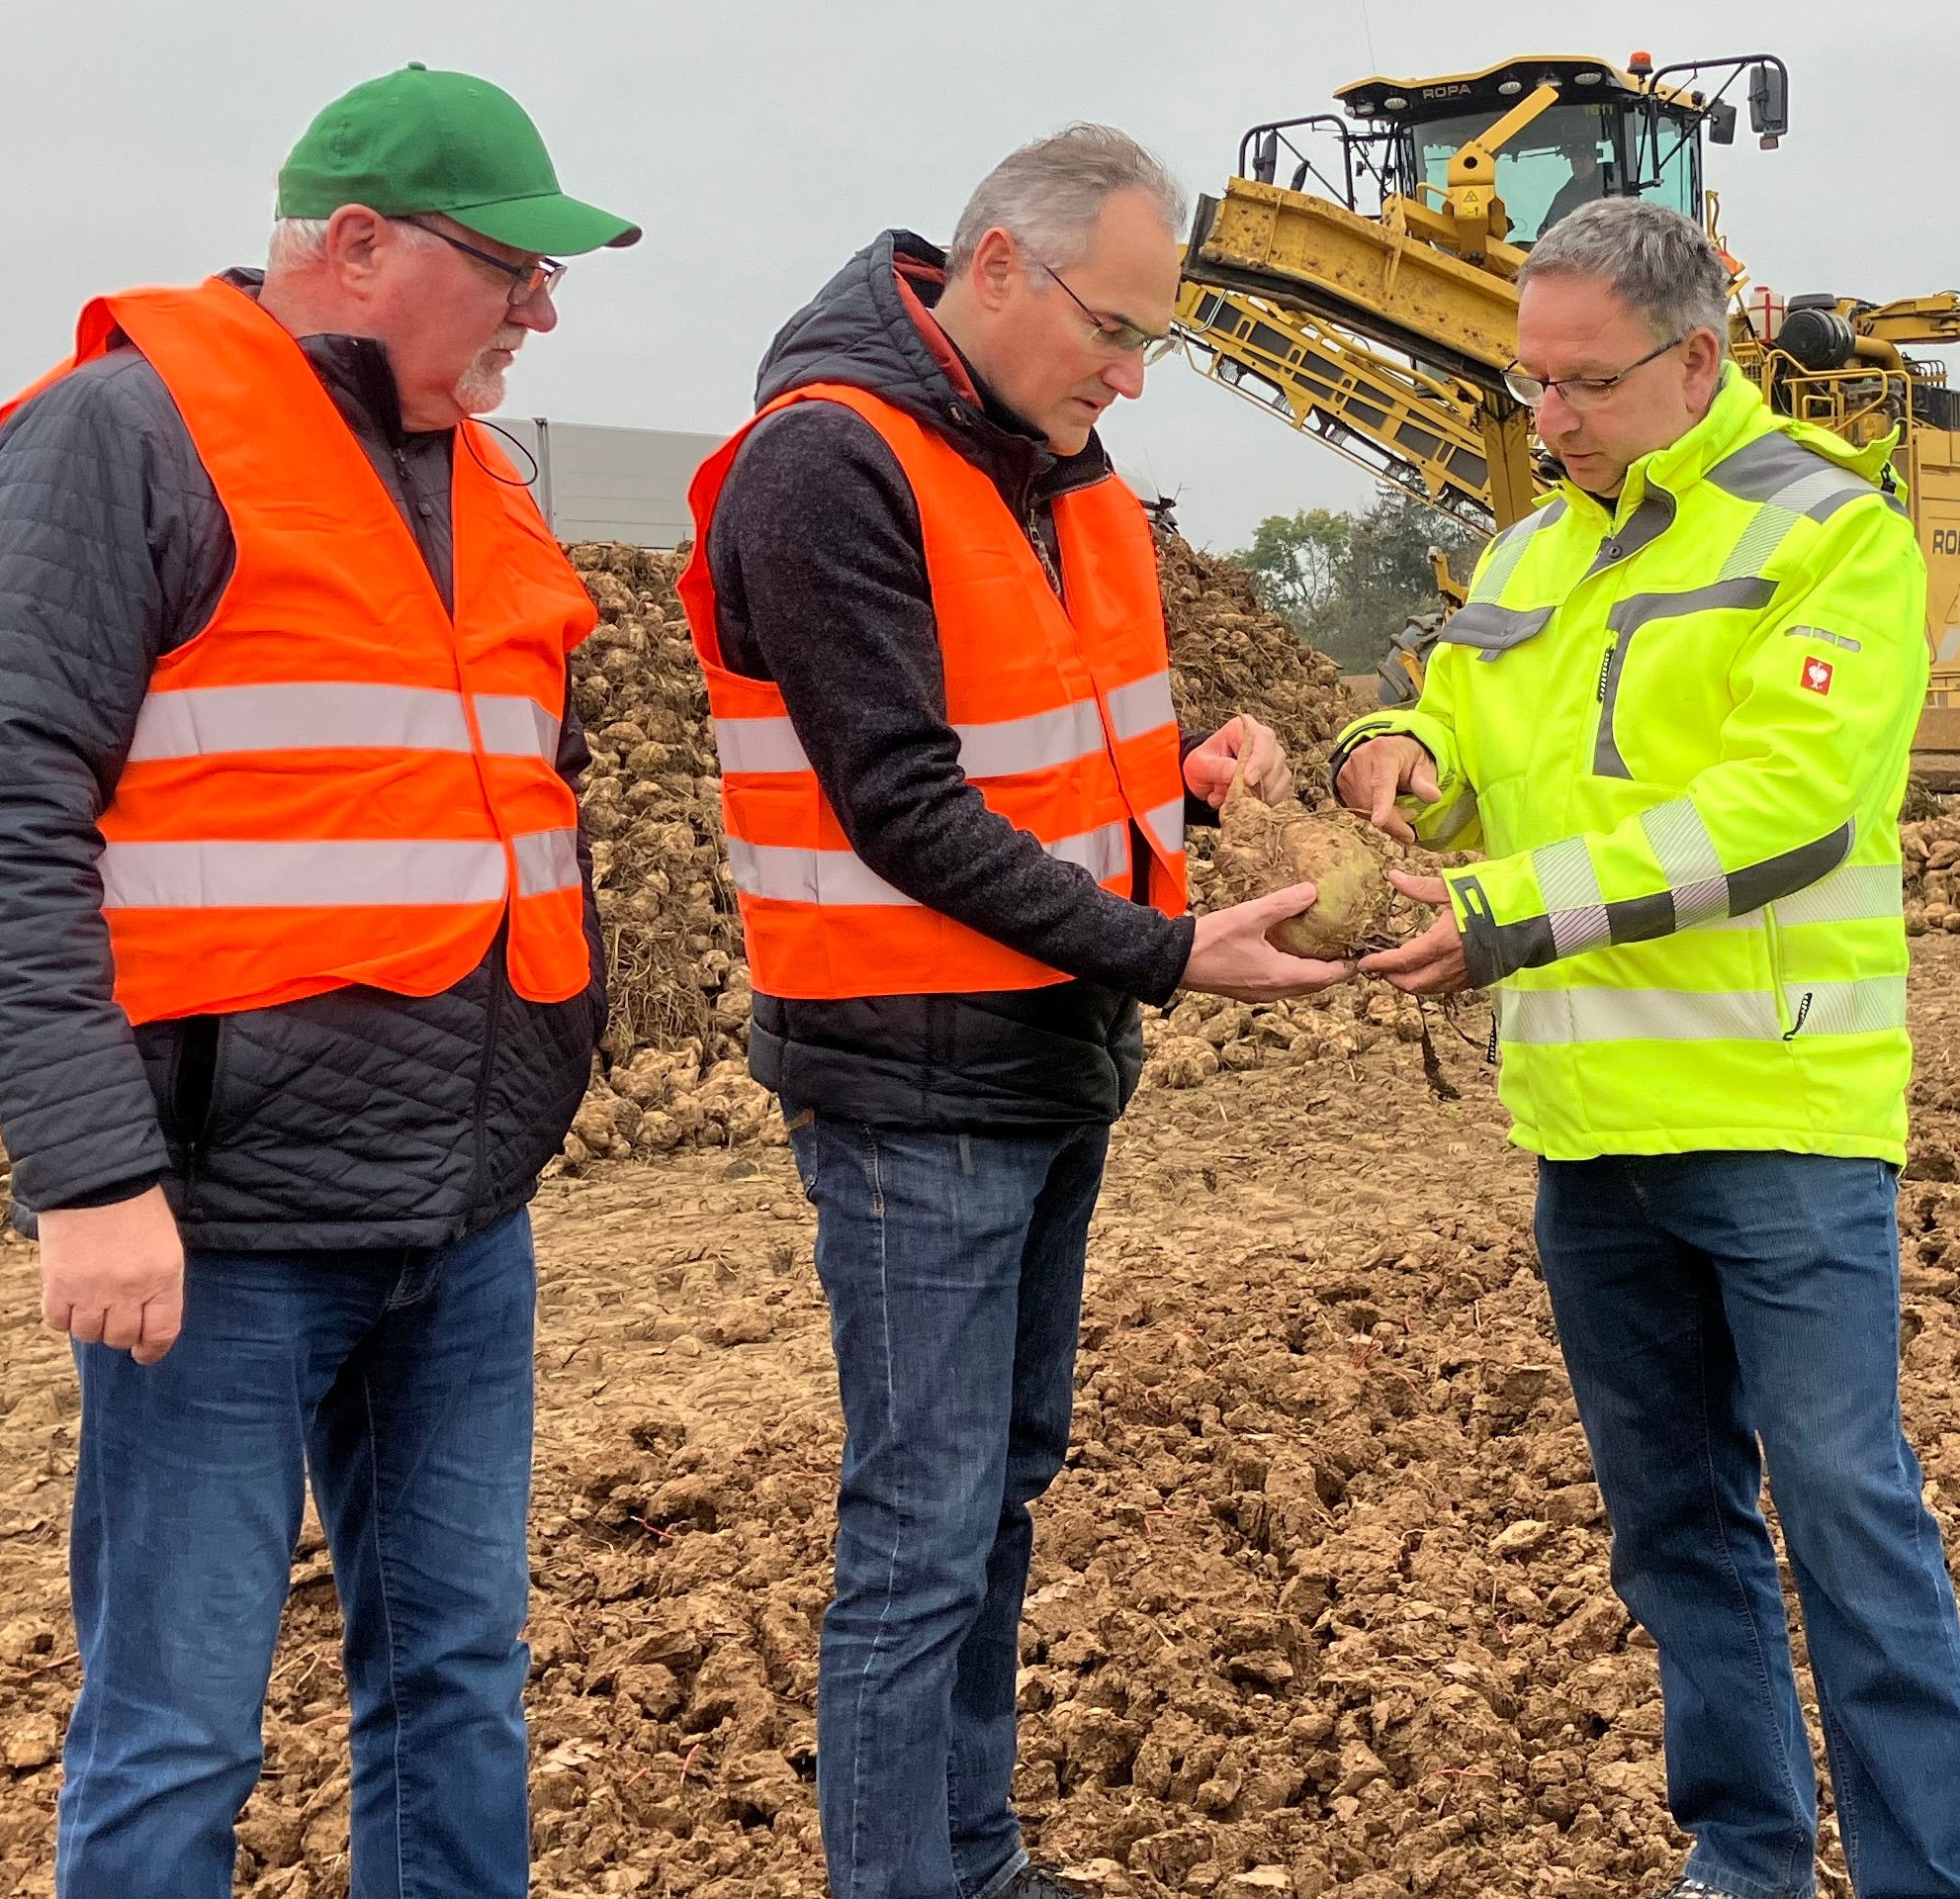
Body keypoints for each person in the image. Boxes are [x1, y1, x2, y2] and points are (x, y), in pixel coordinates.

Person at [0, 64, 636, 1897]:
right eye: (512, 268)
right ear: (364, 246)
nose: (544, 308)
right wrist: (88, 1177)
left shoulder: (482, 477)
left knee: (457, 1680)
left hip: (463, 1221)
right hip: (219, 1233)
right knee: (176, 1728)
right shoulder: (121, 434)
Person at [675, 126, 1351, 1899]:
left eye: (1152, 343)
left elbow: (1036, 751)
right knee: (920, 1527)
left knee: (992, 1497)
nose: (1130, 374)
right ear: (991, 269)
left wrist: (1184, 786)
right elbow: (901, 804)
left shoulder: (1050, 463)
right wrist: (1169, 948)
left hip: (1045, 1061)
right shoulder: (828, 467)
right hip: (913, 1079)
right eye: (1112, 329)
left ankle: (970, 1861)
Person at [1337, 196, 1960, 1899]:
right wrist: (1394, 743)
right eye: (1529, 385)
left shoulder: (1833, 533)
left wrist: (1503, 915)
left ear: (1698, 360)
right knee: (1675, 1533)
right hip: (1588, 1129)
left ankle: (1928, 1878)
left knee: (1848, 1522)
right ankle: (1746, 1854)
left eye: (1584, 386)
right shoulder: (1529, 547)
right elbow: (1466, 721)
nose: (1547, 420)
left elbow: (1777, 814)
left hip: (1776, 1114)